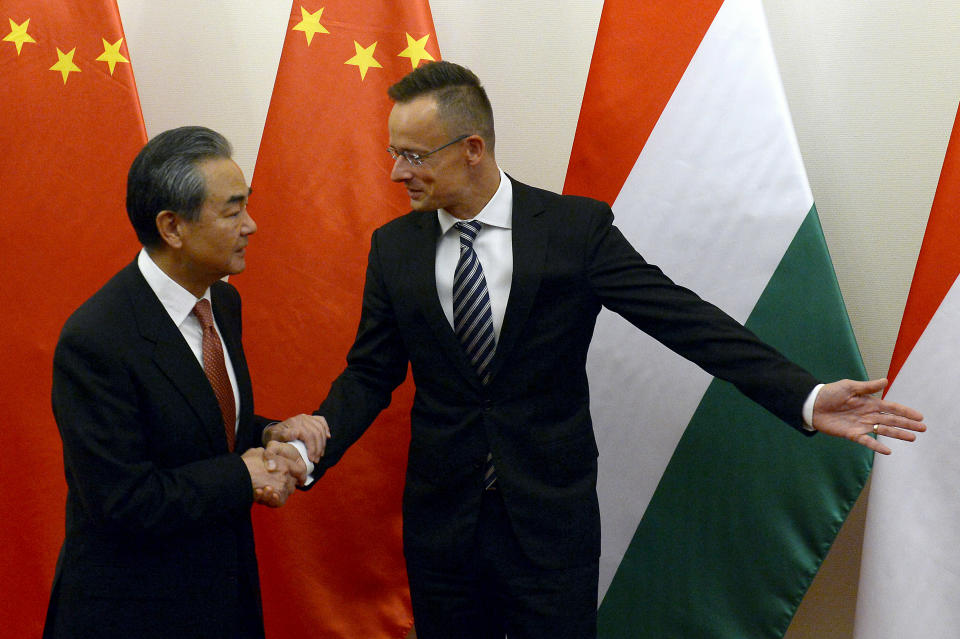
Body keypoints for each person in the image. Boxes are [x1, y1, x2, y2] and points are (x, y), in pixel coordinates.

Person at [285, 62, 925, 638]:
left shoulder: (571, 230)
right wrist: (309, 445)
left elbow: (683, 319)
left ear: (472, 149)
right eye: (394, 152)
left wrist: (805, 396)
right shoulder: (394, 248)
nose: (397, 171)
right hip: (444, 529)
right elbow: (371, 372)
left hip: (549, 527)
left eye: (413, 155)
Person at [43, 126, 327, 639]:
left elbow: (203, 423)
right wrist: (244, 475)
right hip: (134, 611)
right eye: (233, 210)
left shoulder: (223, 301)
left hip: (222, 596)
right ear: (172, 227)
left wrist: (270, 435)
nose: (252, 226)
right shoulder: (96, 339)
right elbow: (121, 501)